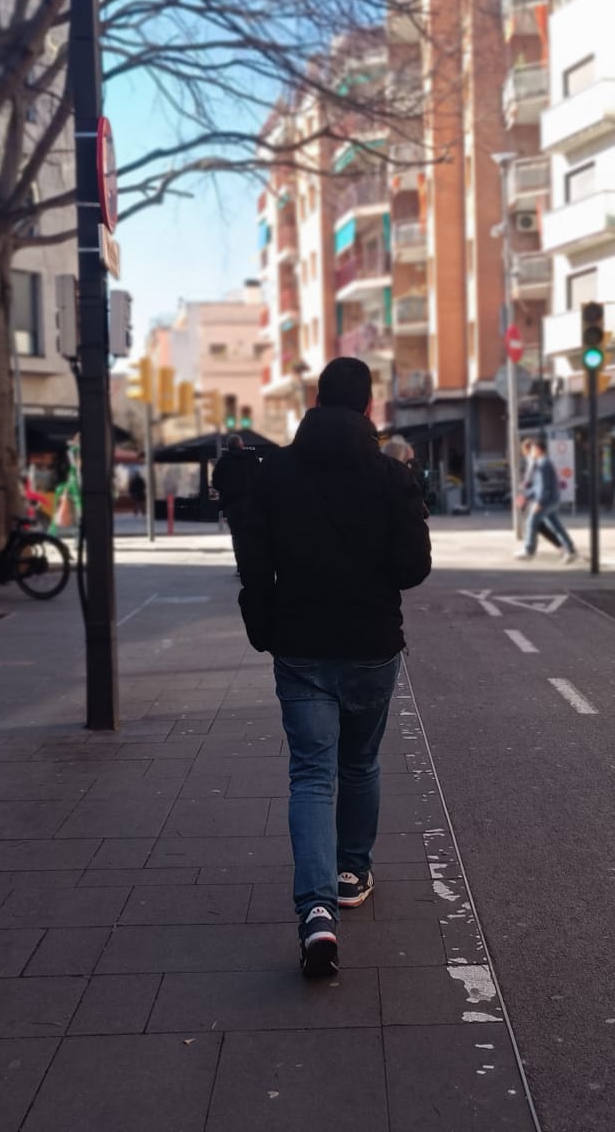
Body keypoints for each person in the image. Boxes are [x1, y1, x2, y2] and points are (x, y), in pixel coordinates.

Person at [235, 357, 432, 977]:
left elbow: (254, 561)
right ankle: (352, 871)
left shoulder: (277, 472)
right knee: (360, 762)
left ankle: (316, 913)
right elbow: (413, 569)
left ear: (316, 402)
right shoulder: (390, 475)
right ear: (369, 408)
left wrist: (263, 626)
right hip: (372, 645)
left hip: (300, 647)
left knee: (311, 776)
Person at [515, 437, 578, 564]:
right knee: (556, 526)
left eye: (532, 449)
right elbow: (538, 486)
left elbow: (543, 486)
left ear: (537, 449)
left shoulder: (543, 464)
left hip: (546, 501)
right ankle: (570, 550)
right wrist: (527, 496)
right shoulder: (544, 463)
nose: (531, 452)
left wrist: (539, 502)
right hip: (552, 500)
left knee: (531, 522)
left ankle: (529, 551)